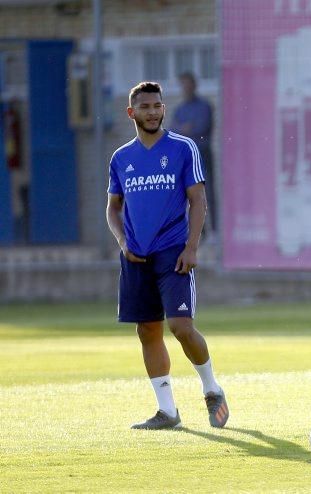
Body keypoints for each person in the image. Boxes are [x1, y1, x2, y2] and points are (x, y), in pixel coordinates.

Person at [106, 81, 229, 430]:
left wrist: (192, 247)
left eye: (157, 106)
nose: (153, 112)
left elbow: (198, 200)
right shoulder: (121, 158)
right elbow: (112, 209)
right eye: (145, 107)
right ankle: (168, 412)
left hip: (173, 252)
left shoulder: (183, 148)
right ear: (132, 113)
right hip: (135, 256)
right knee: (147, 331)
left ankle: (211, 387)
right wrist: (122, 241)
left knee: (180, 327)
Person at [171, 72, 216, 235]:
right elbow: (173, 131)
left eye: (188, 83)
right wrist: (186, 129)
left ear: (194, 85)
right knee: (191, 195)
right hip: (187, 157)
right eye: (182, 84)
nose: (185, 87)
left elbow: (202, 128)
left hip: (202, 154)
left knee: (208, 193)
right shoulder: (180, 109)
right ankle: (200, 233)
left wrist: (185, 130)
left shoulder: (204, 106)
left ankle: (215, 232)